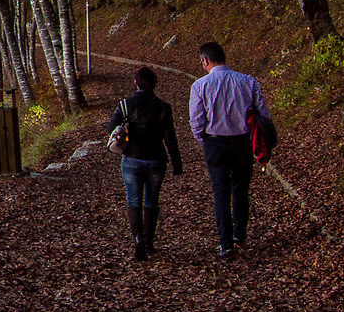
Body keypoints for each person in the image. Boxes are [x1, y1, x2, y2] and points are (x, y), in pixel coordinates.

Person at [188, 40, 273, 258]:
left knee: (220, 192)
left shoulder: (199, 86)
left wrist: (203, 141)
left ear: (206, 61)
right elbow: (263, 114)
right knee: (241, 189)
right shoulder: (248, 81)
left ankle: (225, 243)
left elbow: (197, 120)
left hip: (215, 142)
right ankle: (239, 233)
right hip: (243, 142)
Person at [104, 66, 183, 260]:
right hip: (156, 159)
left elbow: (110, 127)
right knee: (151, 201)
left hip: (131, 158)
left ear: (135, 83)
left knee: (133, 200)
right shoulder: (163, 107)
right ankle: (149, 242)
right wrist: (176, 162)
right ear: (154, 85)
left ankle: (138, 239)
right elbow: (170, 138)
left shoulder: (125, 104)